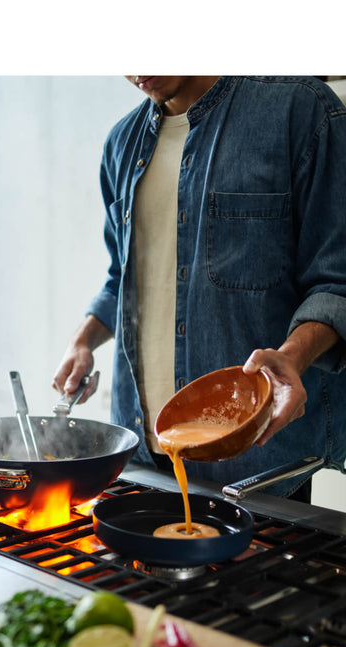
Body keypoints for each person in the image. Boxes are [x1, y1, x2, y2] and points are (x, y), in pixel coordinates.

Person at [52, 76, 346, 500]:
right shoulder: (121, 144)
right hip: (140, 457)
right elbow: (124, 277)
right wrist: (83, 341)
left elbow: (335, 279)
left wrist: (292, 358)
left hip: (255, 463)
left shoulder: (298, 113)